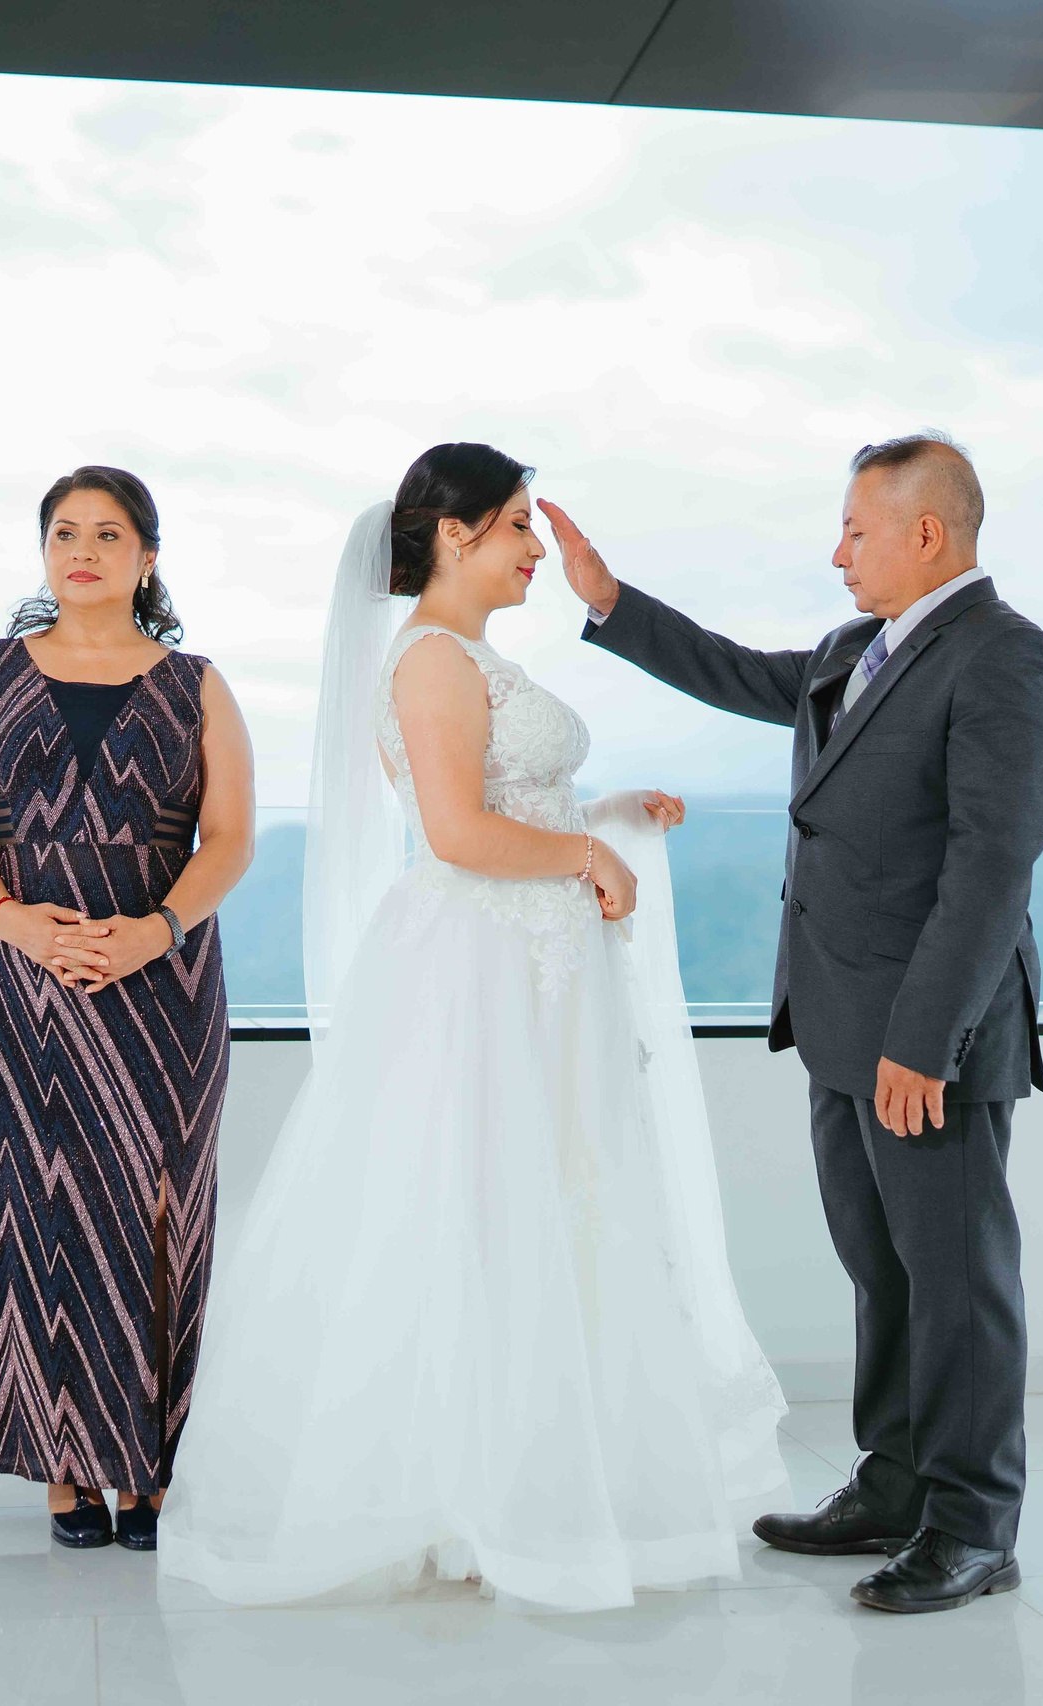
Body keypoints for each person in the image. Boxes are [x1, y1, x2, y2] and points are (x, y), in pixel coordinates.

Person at [157, 443, 787, 1612]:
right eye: (517, 525)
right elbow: (452, 830)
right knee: (481, 1204)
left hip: (532, 958)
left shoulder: (470, 657)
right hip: (484, 964)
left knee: (546, 1201)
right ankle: (468, 1490)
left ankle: (538, 1476)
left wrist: (607, 814)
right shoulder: (433, 659)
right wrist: (586, 852)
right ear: (454, 533)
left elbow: (508, 803)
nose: (534, 548)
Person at [543, 431, 1043, 1615]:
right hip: (837, 1017)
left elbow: (991, 865)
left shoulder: (1006, 657)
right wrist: (610, 601)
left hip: (929, 1037)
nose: (837, 554)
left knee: (957, 1282)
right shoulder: (852, 650)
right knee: (881, 1268)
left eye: (854, 530)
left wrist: (923, 1040)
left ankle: (973, 1524)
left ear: (924, 533)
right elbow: (738, 673)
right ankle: (894, 1482)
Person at [0, 465, 255, 1554]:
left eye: (109, 534)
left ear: (147, 558)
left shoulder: (198, 684)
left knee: (159, 1208)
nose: (83, 550)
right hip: (19, 976)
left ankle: (151, 1463)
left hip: (162, 981)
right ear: (44, 552)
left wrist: (158, 930)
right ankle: (63, 1462)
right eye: (64, 532)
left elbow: (230, 840)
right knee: (29, 1202)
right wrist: (9, 917)